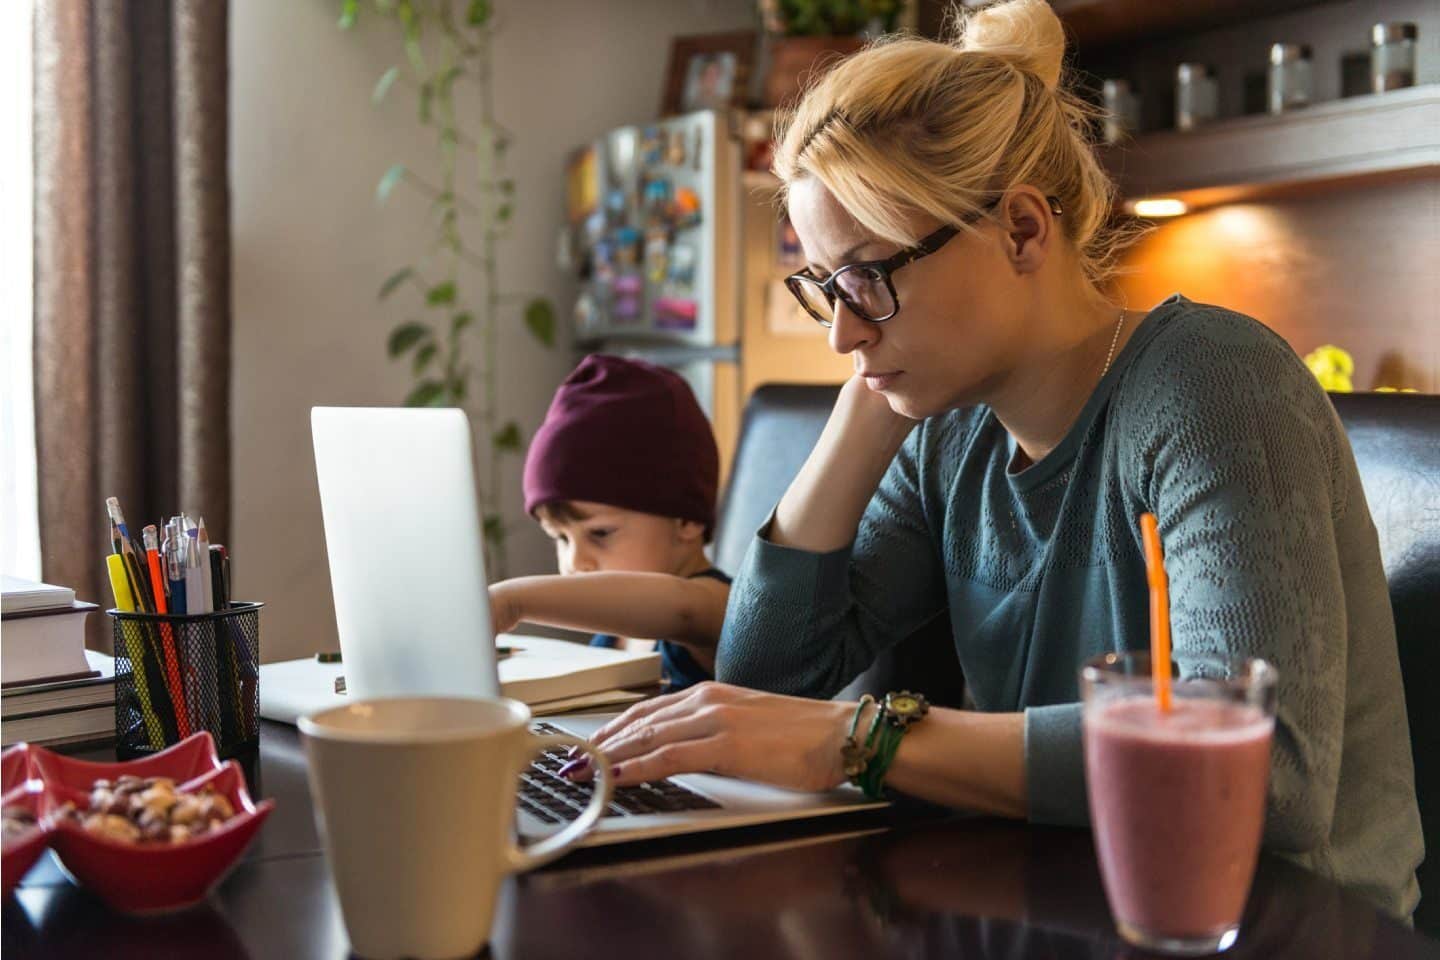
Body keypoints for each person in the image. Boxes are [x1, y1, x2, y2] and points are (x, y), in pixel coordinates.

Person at [582, 0, 1423, 919]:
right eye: (826, 287)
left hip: (1280, 930)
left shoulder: (1213, 384)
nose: (842, 332)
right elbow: (761, 686)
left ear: (1023, 230)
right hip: (1068, 906)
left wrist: (860, 742)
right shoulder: (951, 428)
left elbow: (1269, 772)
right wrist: (859, 418)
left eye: (870, 276)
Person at [489, 354, 730, 691]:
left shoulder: (716, 604)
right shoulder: (612, 636)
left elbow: (679, 609)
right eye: (561, 538)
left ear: (686, 519)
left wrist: (511, 601)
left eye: (600, 533)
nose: (574, 562)